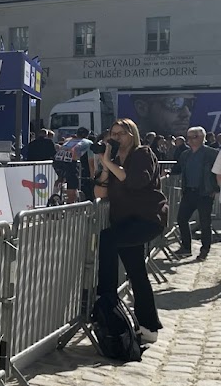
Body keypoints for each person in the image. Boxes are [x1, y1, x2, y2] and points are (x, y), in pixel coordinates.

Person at [92, 118, 168, 344]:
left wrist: (110, 163)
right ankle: (149, 326)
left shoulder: (142, 154)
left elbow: (135, 182)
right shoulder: (114, 160)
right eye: (113, 134)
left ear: (132, 134)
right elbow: (100, 193)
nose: (116, 138)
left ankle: (106, 294)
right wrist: (106, 167)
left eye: (121, 134)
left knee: (107, 238)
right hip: (124, 222)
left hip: (147, 219)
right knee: (136, 273)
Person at [174, 126, 219, 260]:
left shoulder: (212, 153)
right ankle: (186, 247)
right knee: (181, 219)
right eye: (188, 137)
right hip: (189, 192)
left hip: (205, 193)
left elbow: (218, 171)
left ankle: (205, 249)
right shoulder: (185, 154)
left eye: (194, 137)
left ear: (202, 138)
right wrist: (168, 172)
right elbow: (178, 168)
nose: (191, 140)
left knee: (205, 222)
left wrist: (216, 188)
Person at [54, 127, 93, 203]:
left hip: (57, 161)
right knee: (72, 184)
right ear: (87, 135)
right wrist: (92, 175)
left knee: (61, 178)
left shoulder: (69, 140)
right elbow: (91, 161)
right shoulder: (89, 142)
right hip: (70, 162)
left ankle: (54, 195)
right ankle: (70, 204)